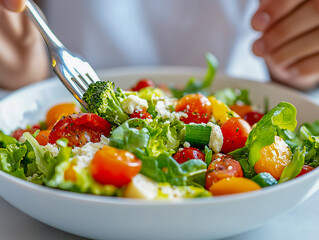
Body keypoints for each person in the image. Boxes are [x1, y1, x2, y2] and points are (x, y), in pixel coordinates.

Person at [0, 0, 319, 94]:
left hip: (256, 97)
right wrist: (17, 54)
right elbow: (21, 51)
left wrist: (298, 54)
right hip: (55, 92)